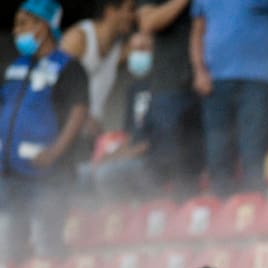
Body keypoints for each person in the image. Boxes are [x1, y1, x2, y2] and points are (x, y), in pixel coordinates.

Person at [0, 0, 90, 263]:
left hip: (49, 175)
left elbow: (79, 111)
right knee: (10, 245)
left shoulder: (69, 67)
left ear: (42, 26)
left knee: (46, 243)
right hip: (10, 173)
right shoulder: (17, 66)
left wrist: (54, 152)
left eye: (23, 24)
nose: (17, 31)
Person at [189, 0, 268, 194]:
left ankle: (254, 218)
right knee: (218, 157)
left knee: (253, 155)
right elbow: (198, 31)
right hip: (215, 85)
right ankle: (225, 220)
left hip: (258, 83)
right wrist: (199, 70)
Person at [137, 0, 203, 195]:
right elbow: (148, 23)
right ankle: (169, 218)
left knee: (201, 160)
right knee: (169, 161)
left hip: (208, 85)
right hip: (170, 88)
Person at [90, 31, 157, 200]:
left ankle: (120, 218)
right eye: (133, 50)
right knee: (85, 172)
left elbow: (155, 140)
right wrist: (110, 155)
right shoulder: (133, 90)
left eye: (143, 49)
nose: (137, 55)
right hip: (131, 156)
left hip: (153, 159)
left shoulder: (162, 87)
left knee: (106, 174)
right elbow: (128, 133)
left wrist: (123, 155)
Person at [60, 0, 136, 130]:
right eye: (130, 9)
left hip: (90, 133)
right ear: (110, 11)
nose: (134, 15)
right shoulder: (78, 38)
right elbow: (54, 86)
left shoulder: (117, 50)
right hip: (64, 128)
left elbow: (147, 40)